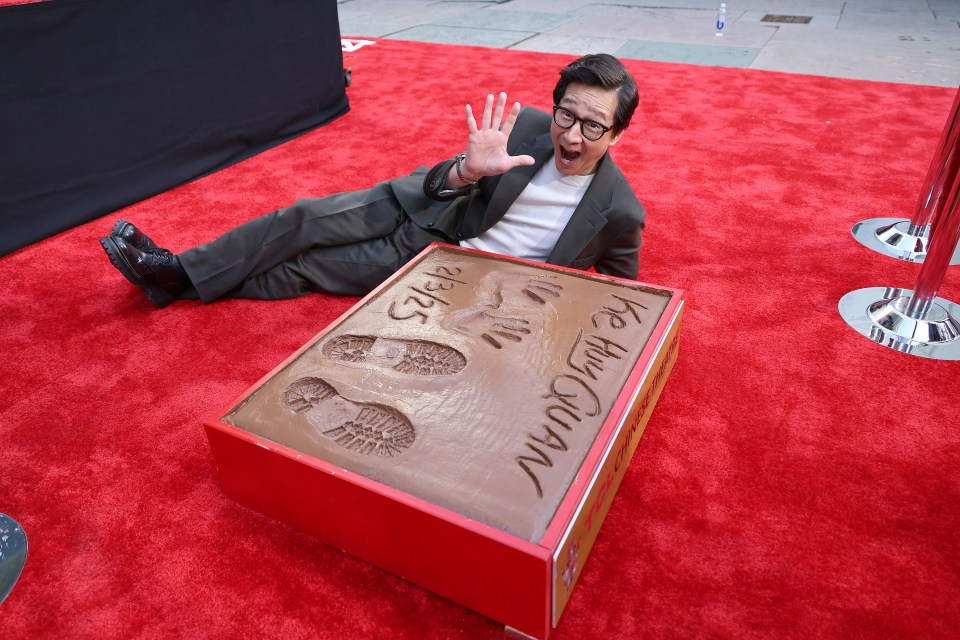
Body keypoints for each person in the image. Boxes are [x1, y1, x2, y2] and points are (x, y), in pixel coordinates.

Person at [100, 53, 645, 309]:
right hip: (424, 209)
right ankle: (177, 268)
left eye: (594, 125)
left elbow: (624, 301)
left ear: (617, 134)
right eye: (566, 115)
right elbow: (439, 185)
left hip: (451, 271)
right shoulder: (523, 126)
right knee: (304, 216)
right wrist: (468, 170)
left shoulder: (620, 212)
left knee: (308, 268)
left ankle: (179, 282)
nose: (571, 136)